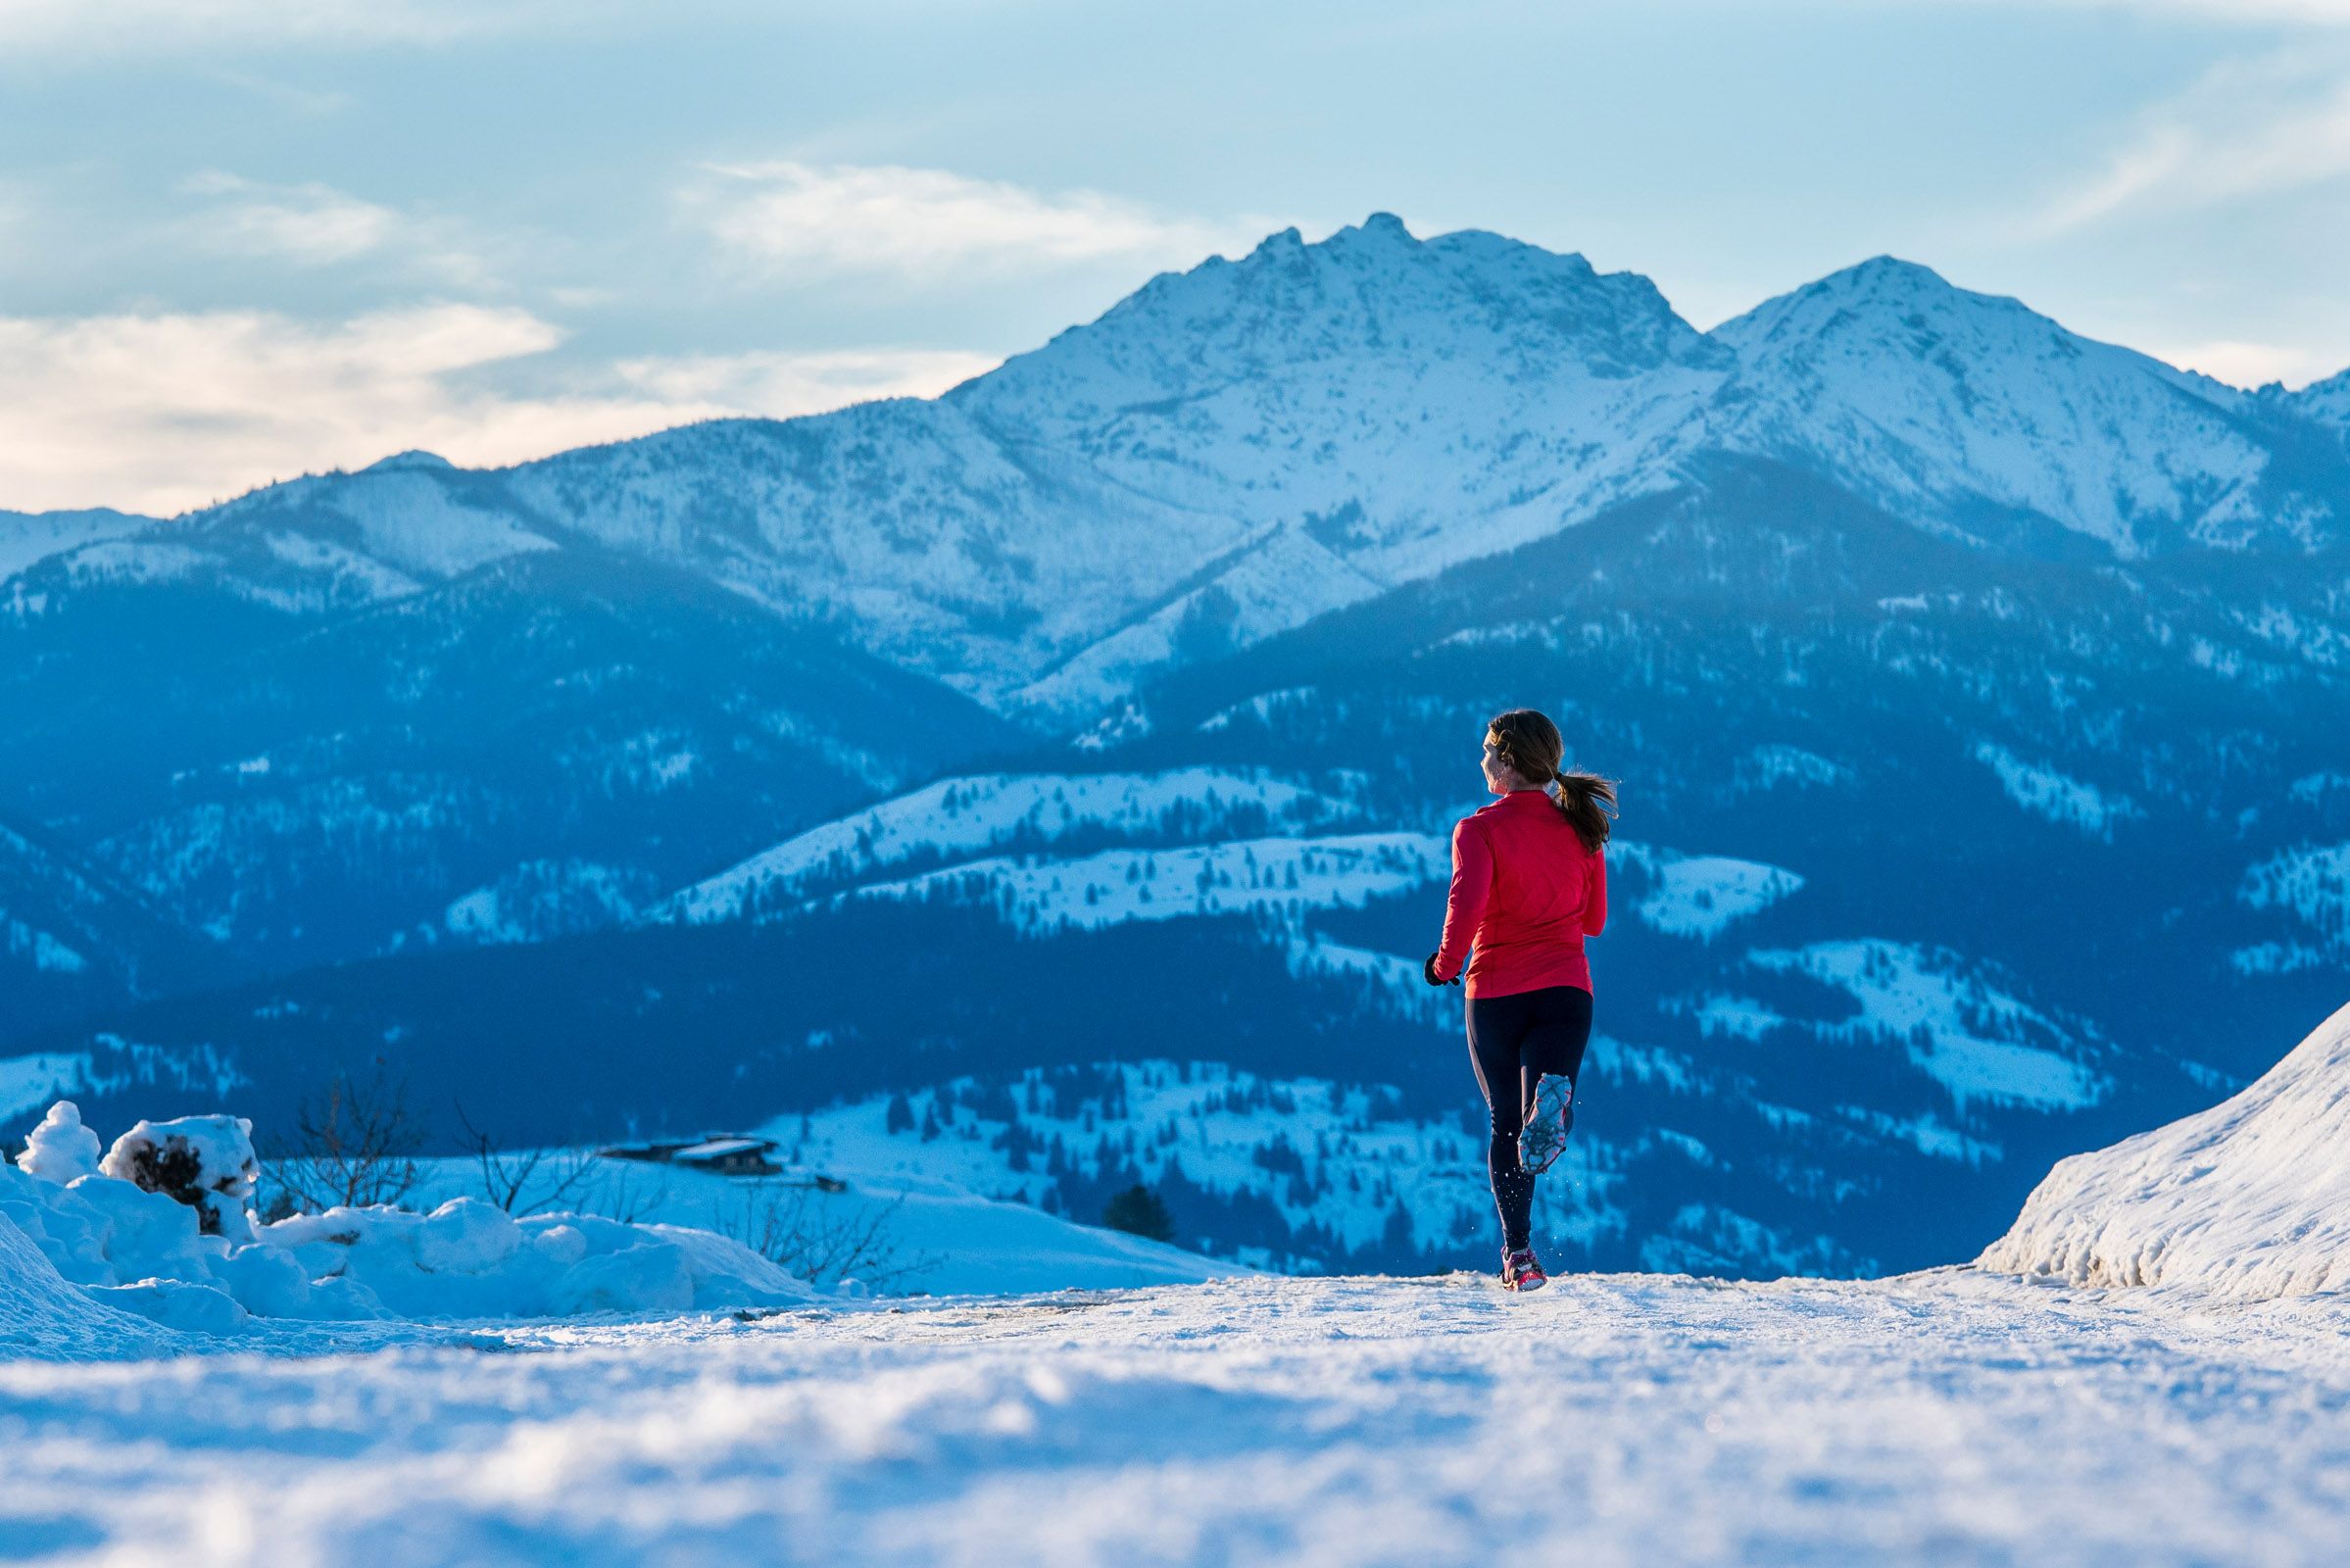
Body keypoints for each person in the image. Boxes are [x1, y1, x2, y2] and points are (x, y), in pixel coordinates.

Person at [1424, 710, 1613, 1292]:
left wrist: (1442, 966)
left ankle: (1520, 1255)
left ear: (1507, 762)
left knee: (1506, 1122)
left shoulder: (1477, 829)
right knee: (1539, 1108)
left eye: (1487, 752)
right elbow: (1596, 921)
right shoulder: (1581, 827)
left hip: (1497, 993)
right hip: (1565, 991)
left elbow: (1467, 905)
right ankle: (1554, 1103)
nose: (1481, 761)